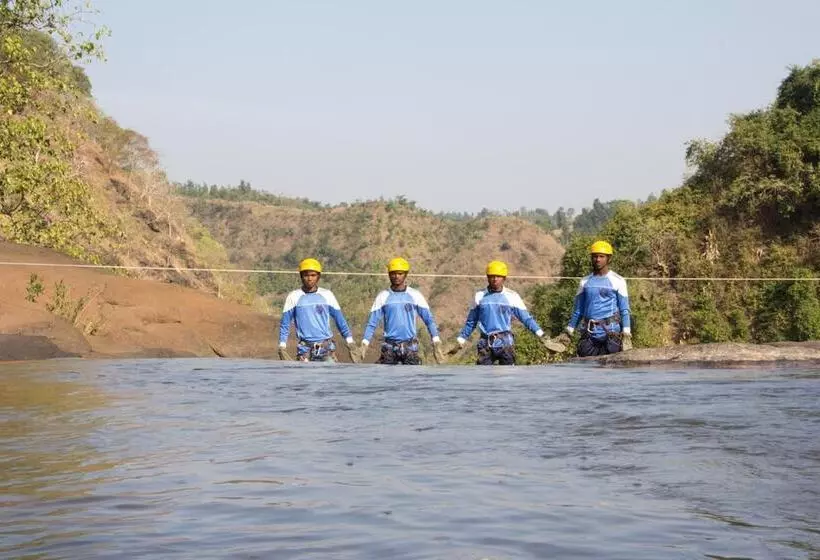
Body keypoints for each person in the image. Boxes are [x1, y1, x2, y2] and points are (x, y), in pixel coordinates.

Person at [454, 260, 566, 365]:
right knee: (484, 381)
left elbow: (526, 318)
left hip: (505, 343)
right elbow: (471, 322)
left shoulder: (512, 296)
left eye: (498, 276)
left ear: (504, 278)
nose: (495, 279)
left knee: (508, 381)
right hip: (485, 344)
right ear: (487, 278)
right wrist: (460, 341)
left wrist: (542, 336)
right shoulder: (479, 296)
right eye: (492, 276)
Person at [359, 257, 446, 365]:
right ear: (389, 275)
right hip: (389, 348)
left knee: (410, 380)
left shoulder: (415, 295)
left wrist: (436, 340)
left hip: (410, 347)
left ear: (405, 274)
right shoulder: (383, 296)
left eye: (400, 273)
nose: (396, 276)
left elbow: (428, 320)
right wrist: (365, 343)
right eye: (393, 273)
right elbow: (372, 323)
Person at [278, 258, 360, 363]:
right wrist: (282, 345)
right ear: (301, 276)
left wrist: (350, 341)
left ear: (318, 277)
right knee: (304, 378)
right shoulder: (293, 297)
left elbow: (340, 320)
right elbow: (285, 323)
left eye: (313, 275)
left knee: (329, 378)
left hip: (325, 347)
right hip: (305, 349)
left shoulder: (327, 295)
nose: (309, 278)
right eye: (306, 275)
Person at [559, 240, 632, 356]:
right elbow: (578, 311)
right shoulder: (584, 282)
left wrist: (627, 334)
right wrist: (568, 332)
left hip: (611, 334)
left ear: (609, 258)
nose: (598, 259)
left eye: (601, 256)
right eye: (595, 256)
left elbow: (624, 310)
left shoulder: (618, 281)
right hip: (589, 335)